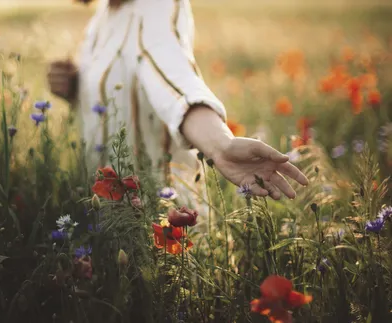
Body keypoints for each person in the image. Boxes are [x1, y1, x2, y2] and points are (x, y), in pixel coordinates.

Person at [47, 0, 308, 209]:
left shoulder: (157, 5)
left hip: (163, 219)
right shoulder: (103, 16)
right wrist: (74, 88)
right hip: (109, 215)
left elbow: (173, 81)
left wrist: (220, 145)